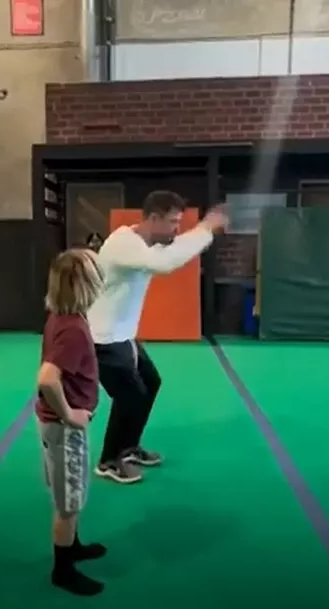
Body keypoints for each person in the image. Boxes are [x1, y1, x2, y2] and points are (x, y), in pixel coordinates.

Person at [87, 191, 229, 484]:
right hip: (102, 338)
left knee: (150, 383)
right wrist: (205, 229)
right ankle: (108, 461)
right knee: (130, 395)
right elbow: (164, 264)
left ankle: (128, 447)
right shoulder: (123, 243)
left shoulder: (146, 244)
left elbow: (171, 251)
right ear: (153, 218)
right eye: (173, 222)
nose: (177, 229)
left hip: (122, 336)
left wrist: (202, 230)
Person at [35, 248, 108, 596]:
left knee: (71, 491)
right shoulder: (73, 329)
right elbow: (47, 378)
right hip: (64, 428)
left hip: (56, 426)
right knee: (68, 503)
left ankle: (73, 546)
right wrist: (69, 414)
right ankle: (62, 570)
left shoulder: (61, 316)